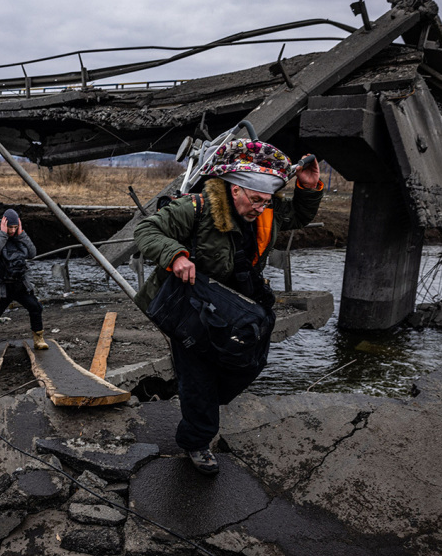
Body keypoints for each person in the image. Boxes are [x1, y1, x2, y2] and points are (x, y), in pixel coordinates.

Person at [133, 139, 322, 475]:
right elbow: (147, 230)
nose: (261, 209)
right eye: (255, 200)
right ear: (235, 190)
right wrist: (174, 255)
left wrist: (308, 189)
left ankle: (206, 404)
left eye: (267, 202)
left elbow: (297, 215)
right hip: (193, 305)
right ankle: (197, 441)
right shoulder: (197, 207)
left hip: (239, 306)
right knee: (197, 374)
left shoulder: (266, 211)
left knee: (249, 363)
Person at [0, 208, 48, 355]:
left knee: (35, 307)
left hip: (19, 282)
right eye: (10, 227)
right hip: (0, 284)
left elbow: (32, 253)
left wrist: (22, 234)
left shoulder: (18, 236)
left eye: (15, 227)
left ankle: (38, 339)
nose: (12, 230)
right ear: (4, 225)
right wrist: (2, 234)